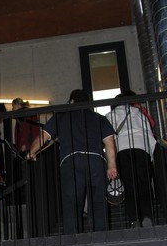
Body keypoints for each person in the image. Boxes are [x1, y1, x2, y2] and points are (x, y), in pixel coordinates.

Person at [28, 89, 117, 234]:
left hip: (71, 161)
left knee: (71, 203)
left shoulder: (61, 116)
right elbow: (109, 141)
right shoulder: (99, 118)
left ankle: (73, 239)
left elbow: (44, 135)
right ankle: (102, 237)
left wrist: (32, 151)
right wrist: (112, 166)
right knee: (99, 202)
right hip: (96, 160)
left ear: (72, 101)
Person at [106, 90, 156, 227]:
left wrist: (111, 161)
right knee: (144, 185)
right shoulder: (139, 113)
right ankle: (147, 216)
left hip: (122, 151)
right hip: (142, 149)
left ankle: (134, 219)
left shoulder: (110, 115)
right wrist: (150, 157)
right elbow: (149, 135)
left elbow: (108, 139)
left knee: (129, 186)